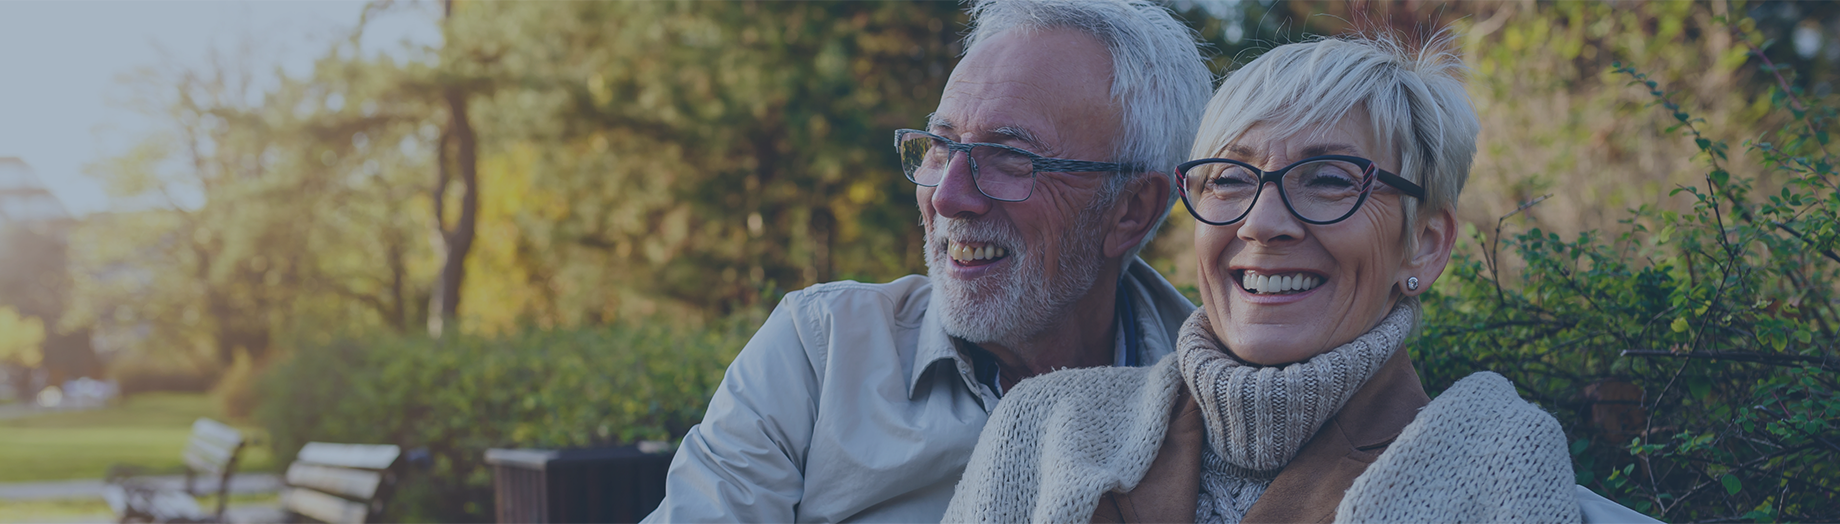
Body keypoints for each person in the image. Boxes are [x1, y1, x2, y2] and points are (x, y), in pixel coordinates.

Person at [942, 34, 1664, 523]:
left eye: (1326, 179)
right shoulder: (1044, 427)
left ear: (1427, 246)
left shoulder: (1495, 460)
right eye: (1229, 179)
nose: (1262, 221)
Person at [642, 1, 1213, 522]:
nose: (946, 195)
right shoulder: (819, 350)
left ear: (1132, 210)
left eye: (1011, 158)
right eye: (941, 146)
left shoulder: (1220, 400)